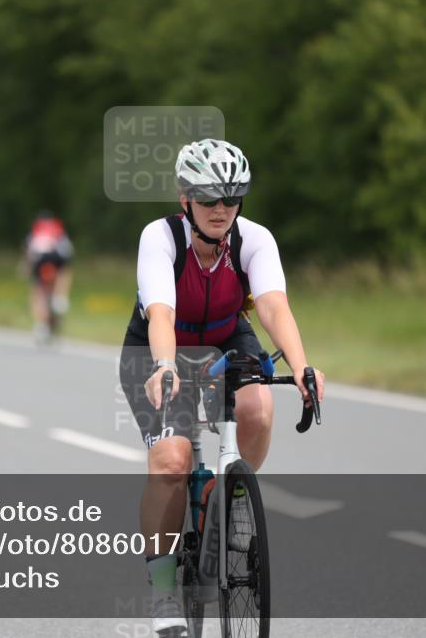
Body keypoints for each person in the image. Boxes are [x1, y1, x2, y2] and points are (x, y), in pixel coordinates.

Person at [119, 139, 326, 636]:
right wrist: (166, 365)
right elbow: (162, 311)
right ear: (184, 196)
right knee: (171, 463)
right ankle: (164, 587)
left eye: (231, 199)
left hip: (225, 339)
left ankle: (228, 498)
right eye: (209, 198)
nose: (220, 209)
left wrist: (301, 367)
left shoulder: (253, 239)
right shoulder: (161, 237)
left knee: (257, 407)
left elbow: (274, 307)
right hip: (156, 347)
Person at [25, 211, 74, 344]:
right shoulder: (58, 229)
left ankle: (41, 325)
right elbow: (68, 252)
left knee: (38, 291)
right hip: (57, 257)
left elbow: (29, 252)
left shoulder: (35, 230)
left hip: (39, 260)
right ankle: (61, 296)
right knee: (65, 270)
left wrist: (27, 269)